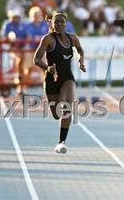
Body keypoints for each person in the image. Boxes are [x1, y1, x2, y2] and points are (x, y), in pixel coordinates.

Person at [33, 12, 86, 153]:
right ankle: (60, 130)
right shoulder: (48, 39)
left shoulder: (73, 38)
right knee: (57, 114)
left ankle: (61, 142)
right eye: (56, 22)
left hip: (67, 78)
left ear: (66, 23)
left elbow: (80, 50)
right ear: (52, 24)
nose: (59, 25)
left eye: (62, 22)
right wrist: (48, 68)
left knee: (67, 108)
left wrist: (81, 59)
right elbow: (36, 59)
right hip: (51, 80)